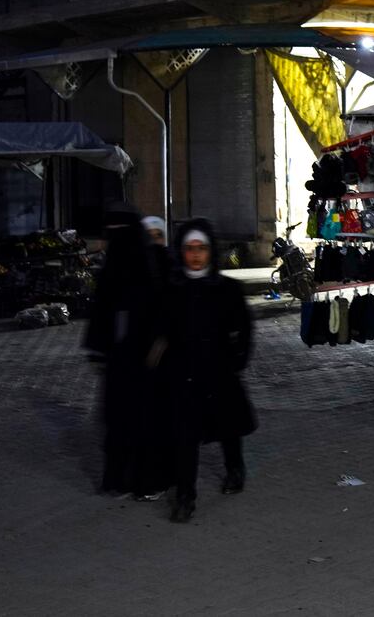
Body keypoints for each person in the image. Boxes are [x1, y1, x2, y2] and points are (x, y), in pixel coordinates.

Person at [152, 218, 256, 523]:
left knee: (228, 428)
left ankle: (235, 469)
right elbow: (161, 332)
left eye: (201, 248)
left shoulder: (226, 289)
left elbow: (244, 329)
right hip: (183, 376)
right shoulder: (171, 291)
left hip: (219, 372)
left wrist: (238, 361)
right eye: (190, 248)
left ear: (211, 251)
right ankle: (186, 496)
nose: (196, 255)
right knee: (185, 437)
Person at [83, 202, 170, 499]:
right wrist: (99, 350)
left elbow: (161, 308)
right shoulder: (116, 266)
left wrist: (159, 341)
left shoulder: (150, 263)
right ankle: (120, 479)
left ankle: (146, 481)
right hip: (120, 360)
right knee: (119, 422)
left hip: (145, 360)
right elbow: (103, 311)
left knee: (145, 422)